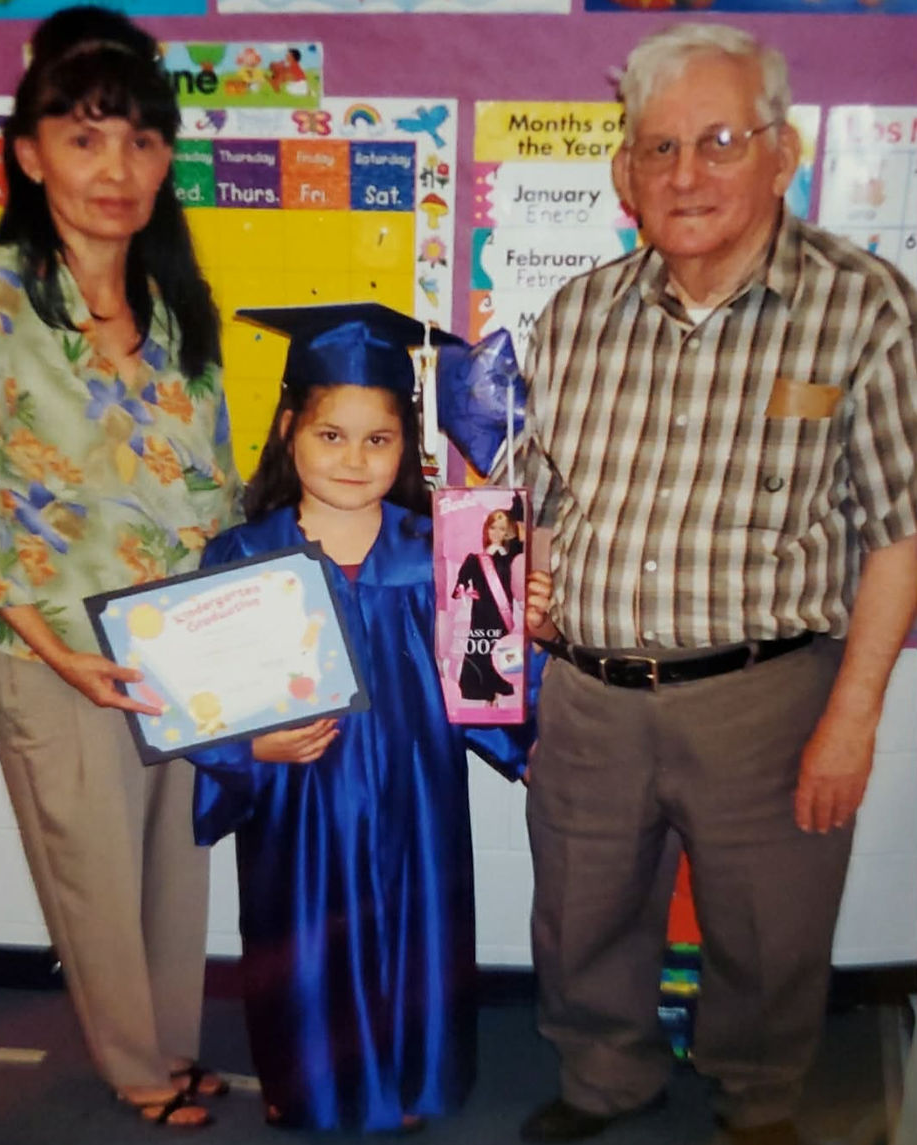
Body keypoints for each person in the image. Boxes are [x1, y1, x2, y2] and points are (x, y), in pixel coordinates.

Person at [517, 22, 917, 1145]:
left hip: (765, 692)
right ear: (622, 173)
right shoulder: (574, 316)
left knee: (767, 928)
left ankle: (757, 1100)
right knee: (582, 912)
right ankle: (604, 1080)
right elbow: (537, 502)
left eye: (719, 140)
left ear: (781, 153)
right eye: (657, 148)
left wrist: (851, 718)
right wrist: (529, 586)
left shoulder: (863, 307)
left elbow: (900, 530)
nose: (684, 173)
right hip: (589, 693)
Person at [0, 6, 242, 1129]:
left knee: (174, 862)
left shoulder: (174, 306)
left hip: (173, 640)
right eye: (83, 136)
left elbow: (203, 489)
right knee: (96, 874)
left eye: (142, 139)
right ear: (27, 153)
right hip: (50, 646)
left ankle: (171, 1038)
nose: (117, 168)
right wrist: (63, 651)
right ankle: (134, 1065)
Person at [187, 303, 533, 1134]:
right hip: (297, 801)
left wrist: (528, 622)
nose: (353, 458)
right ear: (288, 431)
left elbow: (495, 693)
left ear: (406, 444)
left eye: (377, 439)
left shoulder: (445, 551)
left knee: (416, 925)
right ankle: (307, 1082)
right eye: (330, 435)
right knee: (297, 939)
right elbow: (205, 698)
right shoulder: (243, 557)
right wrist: (249, 743)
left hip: (418, 797)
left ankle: (412, 1078)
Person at [455, 507, 523, 703]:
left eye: (501, 529)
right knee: (481, 650)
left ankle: (500, 689)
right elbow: (459, 585)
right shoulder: (474, 559)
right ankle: (482, 692)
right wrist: (464, 591)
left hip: (504, 616)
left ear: (507, 532)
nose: (496, 533)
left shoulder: (512, 558)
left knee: (502, 650)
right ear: (487, 530)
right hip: (482, 614)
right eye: (493, 528)